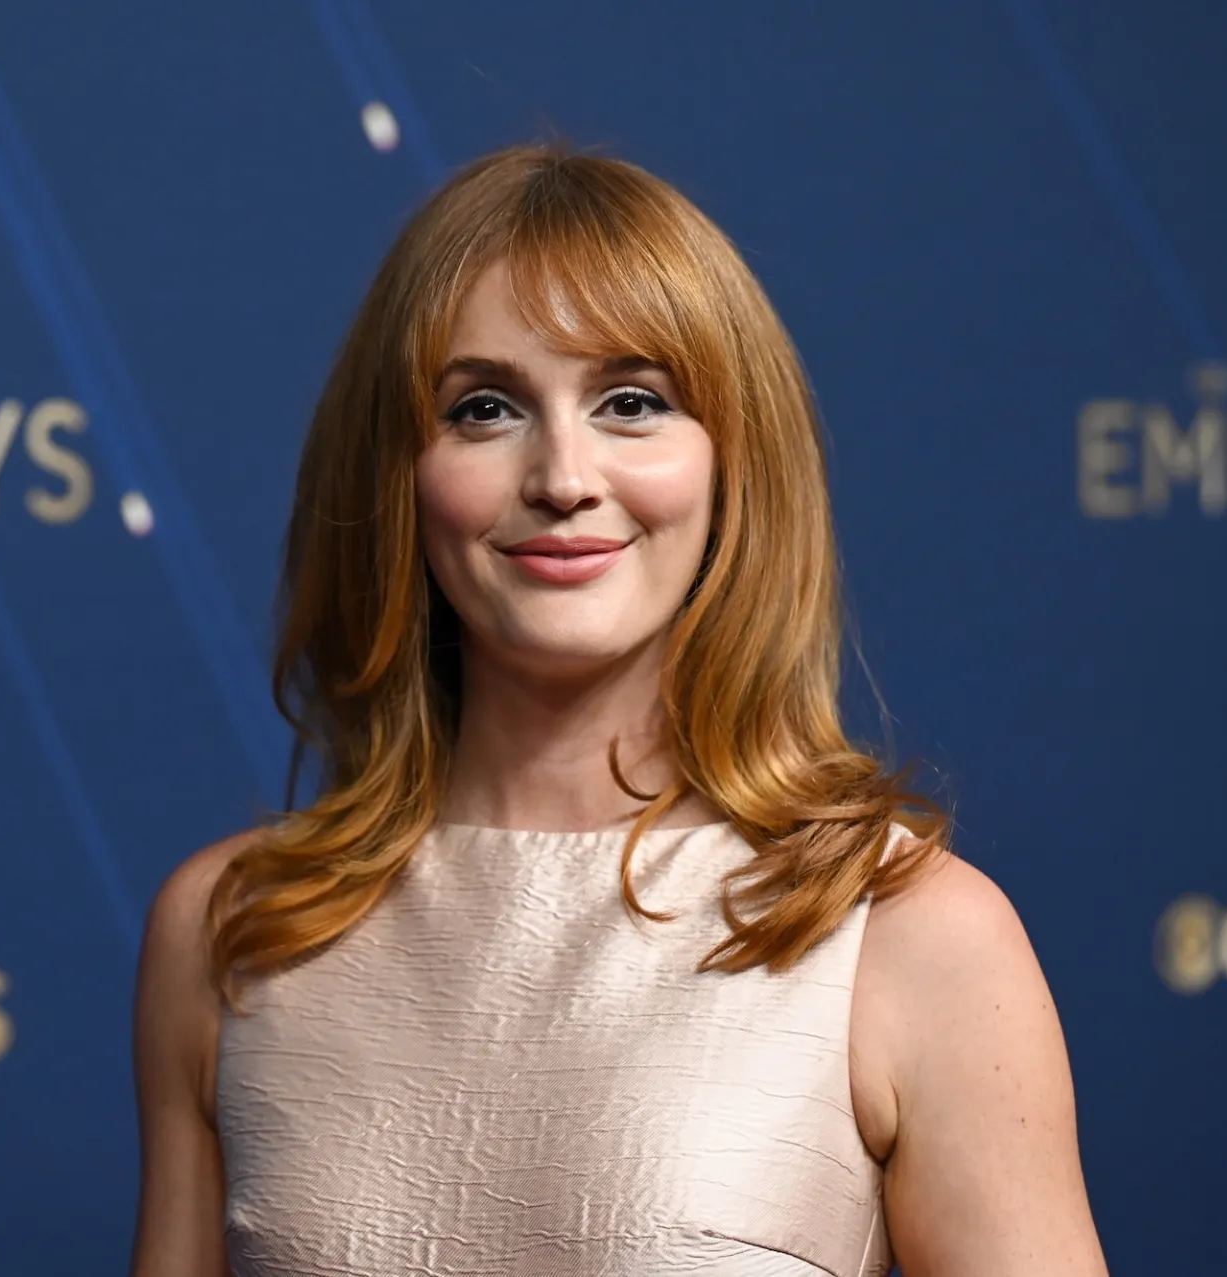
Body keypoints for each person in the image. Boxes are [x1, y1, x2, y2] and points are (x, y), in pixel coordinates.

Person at [129, 140, 1108, 1277]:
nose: (563, 477)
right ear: (395, 473)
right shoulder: (229, 931)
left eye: (632, 402)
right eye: (483, 408)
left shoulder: (906, 931)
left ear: (733, 463)